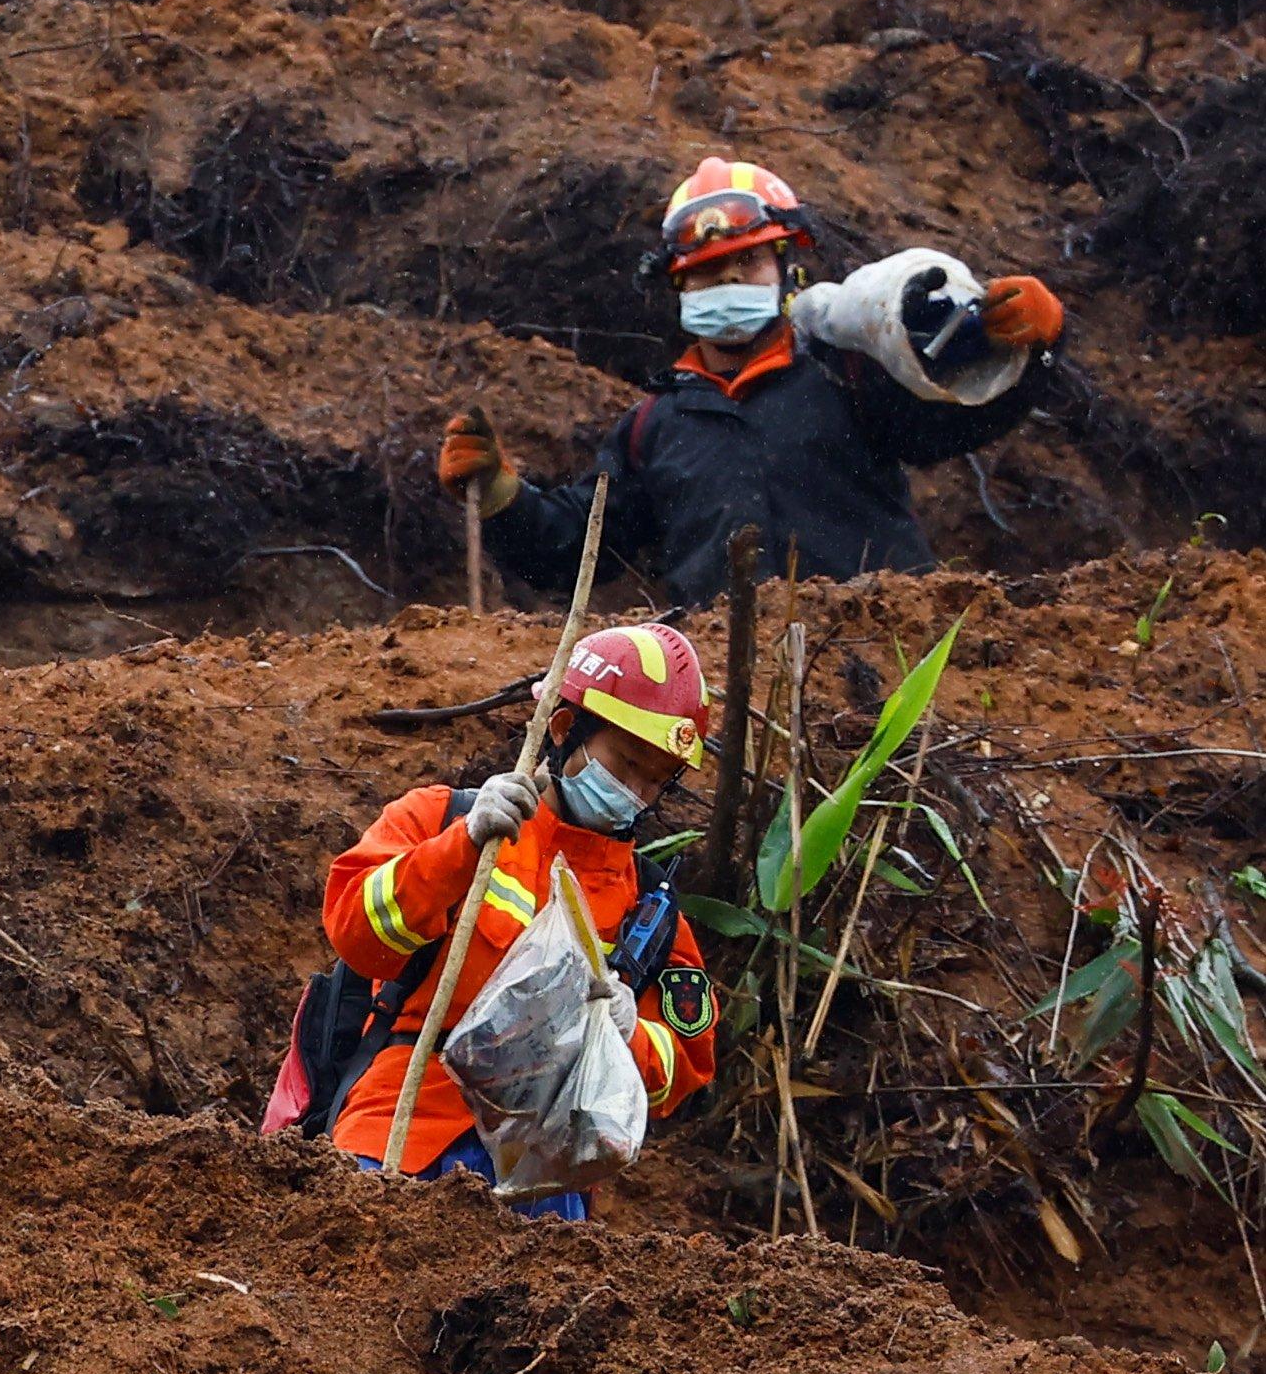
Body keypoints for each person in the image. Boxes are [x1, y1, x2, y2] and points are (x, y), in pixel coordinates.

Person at [441, 157, 1069, 606]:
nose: (731, 281)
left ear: (785, 267)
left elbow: (948, 419)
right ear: (679, 287)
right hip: (733, 697)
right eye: (709, 272)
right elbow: (579, 551)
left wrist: (1032, 346)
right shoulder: (655, 427)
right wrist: (500, 495)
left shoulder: (843, 373)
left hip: (880, 661)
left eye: (749, 262)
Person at [321, 624, 720, 1216]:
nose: (637, 792)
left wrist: (628, 1033)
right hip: (400, 1133)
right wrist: (458, 849)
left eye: (657, 779)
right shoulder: (440, 818)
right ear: (563, 729)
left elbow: (684, 1069)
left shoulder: (651, 911)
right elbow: (357, 933)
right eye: (628, 763)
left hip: (543, 1181)